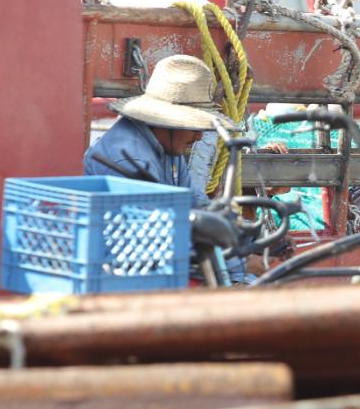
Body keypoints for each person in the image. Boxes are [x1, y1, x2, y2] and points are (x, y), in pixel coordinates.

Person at [83, 53, 247, 280]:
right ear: (168, 122)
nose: (199, 136)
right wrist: (242, 260)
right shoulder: (130, 161)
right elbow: (156, 245)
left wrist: (244, 236)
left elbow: (196, 207)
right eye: (193, 126)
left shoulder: (169, 148)